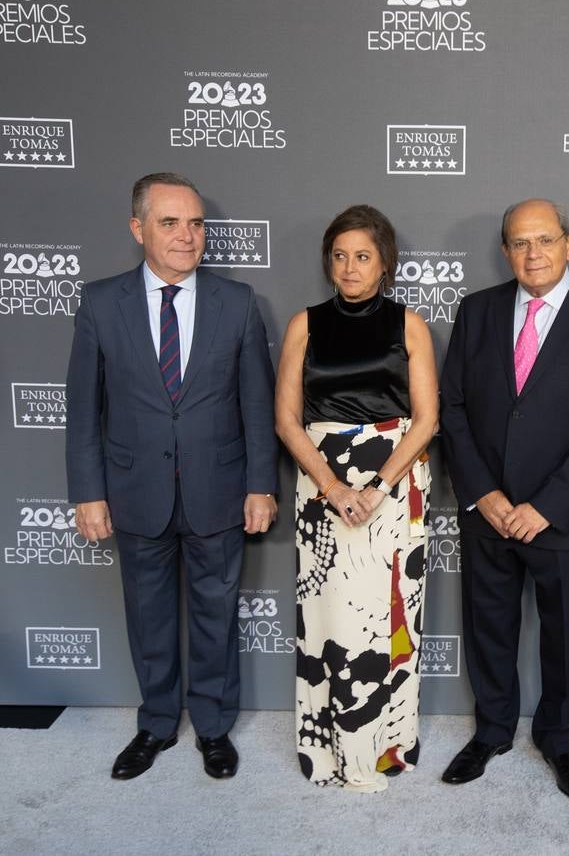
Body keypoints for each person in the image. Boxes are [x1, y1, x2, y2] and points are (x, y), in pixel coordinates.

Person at [66, 172, 279, 780]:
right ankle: (157, 723)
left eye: (195, 223)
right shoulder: (101, 302)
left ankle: (213, 728)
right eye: (169, 222)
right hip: (135, 492)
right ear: (138, 229)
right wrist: (88, 493)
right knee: (149, 615)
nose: (187, 236)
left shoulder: (236, 302)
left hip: (219, 489)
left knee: (216, 614)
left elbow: (256, 406)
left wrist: (261, 485)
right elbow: (83, 408)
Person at [439, 198, 569, 800]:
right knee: (489, 626)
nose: (534, 254)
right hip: (489, 510)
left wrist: (545, 506)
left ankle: (557, 737)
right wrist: (483, 493)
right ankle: (493, 730)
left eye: (545, 240)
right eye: (520, 243)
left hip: (559, 515)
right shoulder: (476, 312)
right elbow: (454, 409)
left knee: (565, 634)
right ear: (505, 251)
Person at [275, 204, 438, 793]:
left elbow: (426, 421)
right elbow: (288, 420)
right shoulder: (305, 324)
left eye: (362, 256)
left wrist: (376, 487)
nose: (349, 267)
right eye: (340, 256)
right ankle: (328, 749)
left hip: (393, 487)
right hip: (321, 486)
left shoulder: (409, 325)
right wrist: (333, 486)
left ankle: (385, 745)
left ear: (385, 263)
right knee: (329, 618)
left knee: (389, 614)